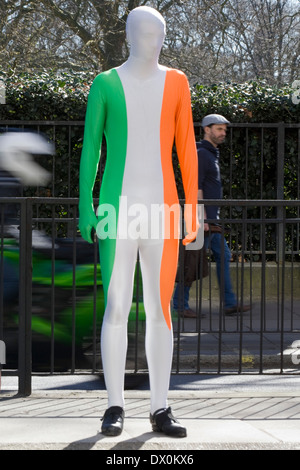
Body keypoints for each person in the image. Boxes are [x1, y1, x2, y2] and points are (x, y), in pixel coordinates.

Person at [78, 6, 199, 438]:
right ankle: (114, 405)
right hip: (117, 209)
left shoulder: (178, 82)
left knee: (161, 310)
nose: (154, 41)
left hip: (164, 210)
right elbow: (90, 148)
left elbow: (187, 146)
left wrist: (191, 209)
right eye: (145, 33)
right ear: (129, 36)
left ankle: (161, 407)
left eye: (160, 33)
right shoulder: (106, 83)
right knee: (115, 307)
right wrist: (84, 206)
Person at [198, 114, 251, 315]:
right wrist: (201, 217)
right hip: (204, 220)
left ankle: (229, 303)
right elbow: (196, 186)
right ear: (207, 129)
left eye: (224, 130)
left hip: (211, 219)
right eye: (219, 129)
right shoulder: (202, 153)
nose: (223, 133)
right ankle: (179, 304)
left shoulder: (211, 154)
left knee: (221, 255)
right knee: (192, 260)